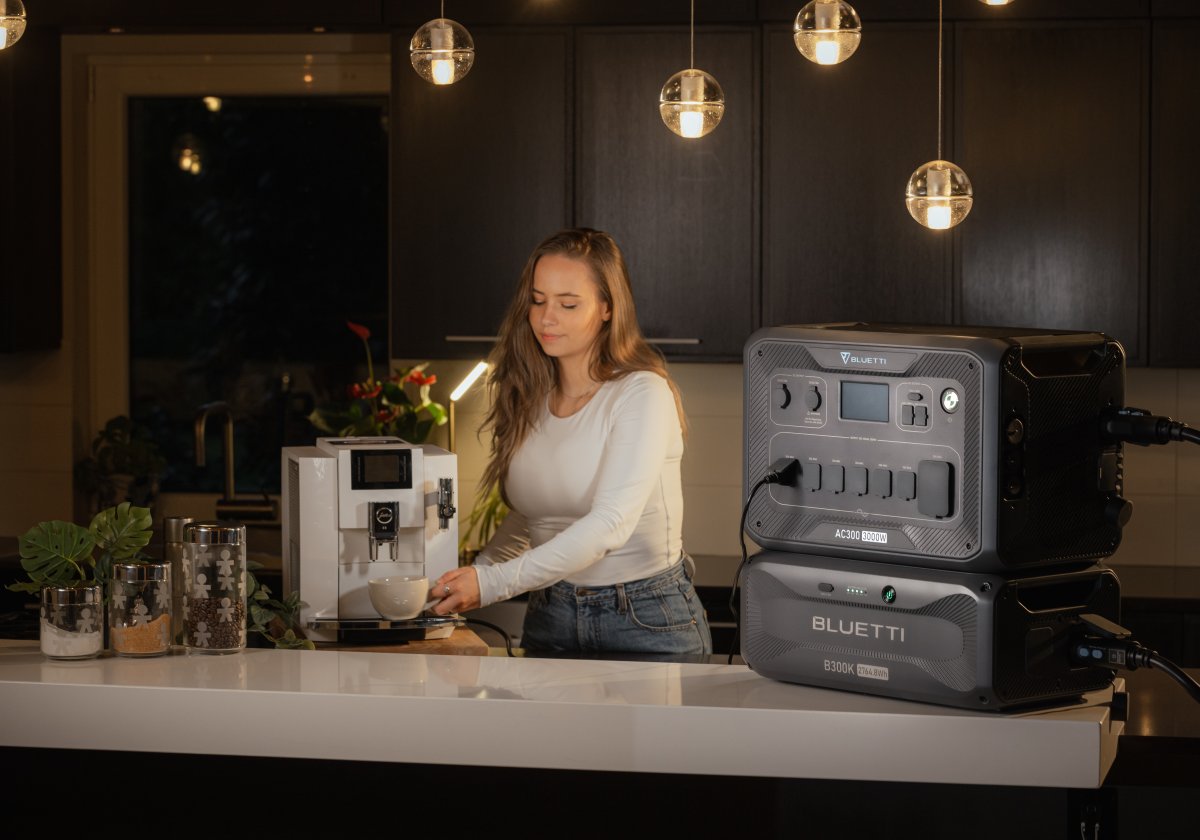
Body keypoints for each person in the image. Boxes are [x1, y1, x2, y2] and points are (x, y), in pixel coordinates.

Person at [429, 228, 712, 658]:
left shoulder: (642, 393)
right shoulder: (530, 395)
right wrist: (467, 580)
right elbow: (531, 518)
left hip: (646, 620)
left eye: (567, 304)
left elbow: (610, 525)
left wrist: (490, 584)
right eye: (538, 300)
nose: (546, 318)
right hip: (551, 614)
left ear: (606, 308)